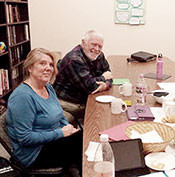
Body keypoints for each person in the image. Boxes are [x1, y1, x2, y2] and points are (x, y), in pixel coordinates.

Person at [6, 48, 82, 176]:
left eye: (51, 64)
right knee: (82, 145)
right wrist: (60, 132)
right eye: (42, 63)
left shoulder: (47, 87)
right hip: (33, 153)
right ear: (30, 67)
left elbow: (59, 114)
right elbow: (24, 138)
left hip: (51, 139)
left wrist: (67, 126)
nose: (48, 68)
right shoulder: (22, 97)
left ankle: (78, 170)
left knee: (82, 139)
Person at [53, 30, 113, 122]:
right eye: (93, 44)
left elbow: (109, 73)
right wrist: (104, 78)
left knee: (110, 111)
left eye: (100, 46)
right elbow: (91, 86)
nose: (97, 49)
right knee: (104, 116)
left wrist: (105, 85)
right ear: (83, 43)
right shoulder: (74, 59)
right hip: (69, 104)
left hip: (85, 98)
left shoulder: (99, 55)